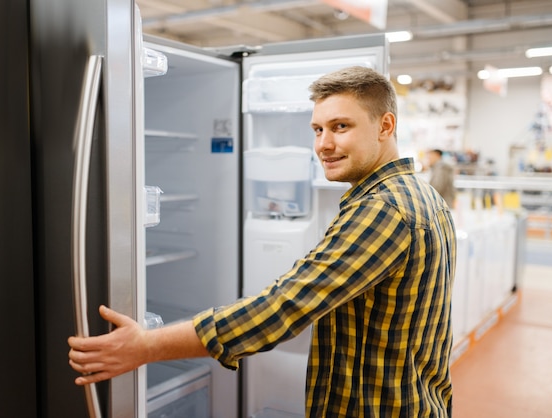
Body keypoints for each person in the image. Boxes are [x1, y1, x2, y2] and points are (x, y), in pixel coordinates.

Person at [68, 66, 456, 417]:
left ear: (385, 126)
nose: (323, 144)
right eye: (317, 130)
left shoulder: (382, 210)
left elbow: (281, 309)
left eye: (341, 127)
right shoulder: (421, 196)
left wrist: (146, 346)